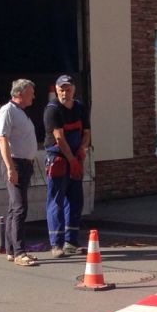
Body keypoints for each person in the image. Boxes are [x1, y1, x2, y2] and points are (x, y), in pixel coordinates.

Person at [43, 74, 91, 257]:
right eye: (61, 89)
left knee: (75, 200)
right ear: (56, 90)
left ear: (73, 90)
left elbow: (86, 133)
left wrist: (82, 150)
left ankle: (71, 242)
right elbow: (59, 138)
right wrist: (72, 160)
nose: (65, 93)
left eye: (68, 89)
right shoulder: (53, 110)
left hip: (75, 158)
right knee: (56, 201)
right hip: (59, 159)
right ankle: (56, 244)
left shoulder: (80, 108)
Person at [0, 78, 39, 266]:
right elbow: (2, 139)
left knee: (14, 208)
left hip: (24, 164)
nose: (33, 97)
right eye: (31, 93)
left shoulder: (20, 112)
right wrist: (10, 167)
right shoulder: (8, 111)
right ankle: (20, 253)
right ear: (20, 93)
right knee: (20, 208)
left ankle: (12, 250)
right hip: (16, 163)